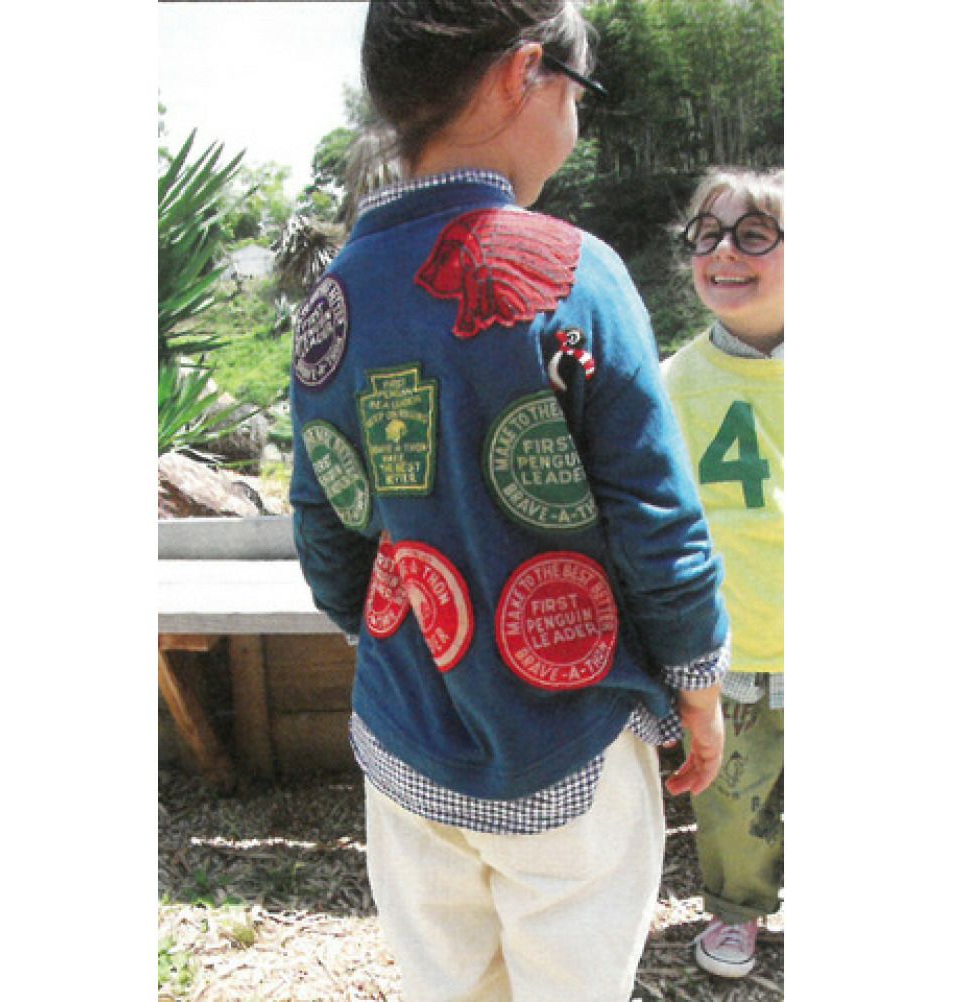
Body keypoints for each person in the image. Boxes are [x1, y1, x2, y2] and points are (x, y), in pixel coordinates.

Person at [290, 4, 730, 999]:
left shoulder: (332, 300)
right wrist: (697, 685)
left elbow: (324, 518)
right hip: (569, 732)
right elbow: (656, 519)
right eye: (580, 91)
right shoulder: (574, 273)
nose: (577, 116)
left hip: (405, 726)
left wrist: (396, 640)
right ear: (524, 73)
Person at [661, 167, 784, 979]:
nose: (725, 253)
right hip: (732, 642)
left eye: (754, 235)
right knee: (734, 797)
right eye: (707, 236)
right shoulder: (671, 381)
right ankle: (737, 911)